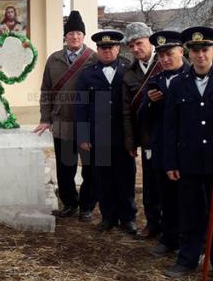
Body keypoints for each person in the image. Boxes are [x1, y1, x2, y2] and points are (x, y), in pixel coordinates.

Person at [163, 26, 213, 281]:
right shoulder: (178, 83)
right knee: (191, 212)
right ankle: (187, 259)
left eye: (205, 49)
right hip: (189, 159)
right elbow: (170, 126)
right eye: (195, 50)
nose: (200, 55)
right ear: (188, 52)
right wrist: (171, 162)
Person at [34, 11, 96, 220]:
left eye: (78, 33)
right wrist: (45, 118)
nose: (75, 37)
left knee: (90, 167)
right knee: (65, 167)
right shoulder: (54, 59)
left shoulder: (94, 58)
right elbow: (46, 91)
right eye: (71, 33)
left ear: (84, 35)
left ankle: (87, 206)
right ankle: (70, 203)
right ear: (65, 36)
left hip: (87, 123)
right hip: (62, 122)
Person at [76, 30, 137, 235]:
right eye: (103, 48)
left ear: (118, 48)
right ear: (98, 50)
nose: (107, 51)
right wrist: (83, 136)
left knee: (126, 178)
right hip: (99, 137)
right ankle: (108, 217)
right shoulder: (87, 74)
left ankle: (128, 218)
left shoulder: (128, 70)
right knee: (103, 179)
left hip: (123, 136)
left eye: (111, 47)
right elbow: (81, 107)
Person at [136, 30, 189, 258]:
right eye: (161, 55)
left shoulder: (191, 76)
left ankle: (188, 241)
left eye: (170, 54)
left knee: (187, 199)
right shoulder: (156, 80)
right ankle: (168, 238)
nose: (165, 59)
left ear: (181, 51)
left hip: (187, 149)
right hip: (162, 148)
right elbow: (141, 116)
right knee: (166, 197)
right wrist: (150, 102)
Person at [122, 22, 163, 238]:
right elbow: (126, 111)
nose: (136, 49)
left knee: (171, 185)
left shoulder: (167, 60)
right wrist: (130, 142)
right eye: (131, 46)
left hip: (169, 136)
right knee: (150, 184)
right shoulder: (129, 73)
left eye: (139, 43)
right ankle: (153, 223)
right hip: (147, 137)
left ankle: (173, 229)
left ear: (149, 40)